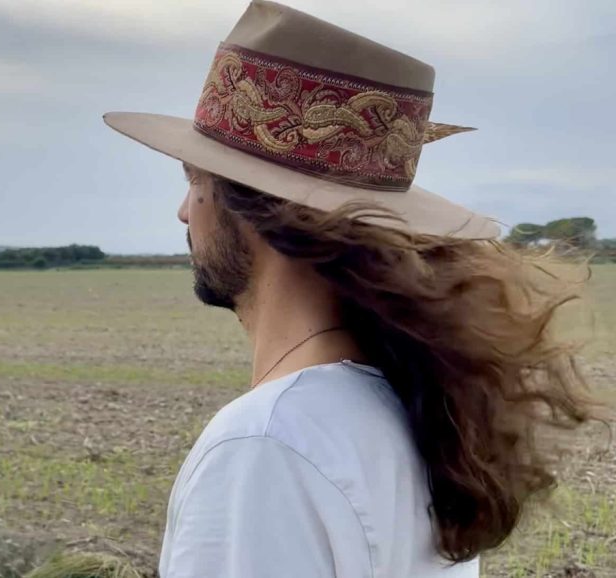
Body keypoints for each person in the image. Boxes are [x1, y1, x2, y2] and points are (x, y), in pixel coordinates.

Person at [103, 2, 597, 577]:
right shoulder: (419, 411)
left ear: (260, 211)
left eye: (196, 181)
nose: (184, 211)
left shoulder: (265, 446)